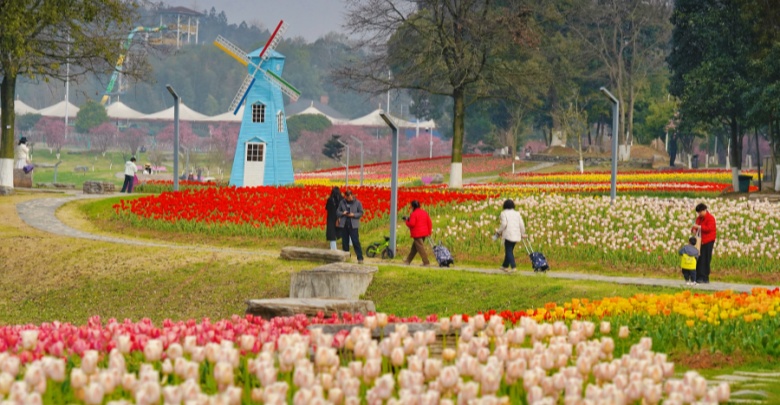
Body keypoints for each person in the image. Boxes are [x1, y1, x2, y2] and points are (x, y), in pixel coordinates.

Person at [496, 199, 526, 272]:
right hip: (516, 234)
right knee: (509, 250)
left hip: (508, 234)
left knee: (508, 251)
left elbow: (504, 224)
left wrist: (498, 231)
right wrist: (522, 233)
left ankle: (513, 267)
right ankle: (505, 266)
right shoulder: (517, 213)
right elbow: (522, 224)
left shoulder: (504, 213)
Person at [691, 203, 717, 283]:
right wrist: (694, 229)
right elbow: (694, 226)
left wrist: (700, 227)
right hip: (700, 241)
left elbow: (709, 228)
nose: (699, 214)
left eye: (700, 212)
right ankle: (698, 276)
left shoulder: (710, 218)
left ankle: (704, 277)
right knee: (699, 258)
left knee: (705, 259)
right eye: (698, 213)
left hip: (708, 241)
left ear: (704, 210)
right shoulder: (699, 218)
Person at [337, 190, 364, 263]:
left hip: (353, 225)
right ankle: (346, 258)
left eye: (349, 197)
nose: (348, 199)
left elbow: (361, 212)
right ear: (345, 196)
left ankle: (360, 258)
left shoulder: (357, 203)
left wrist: (353, 215)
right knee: (345, 242)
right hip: (344, 225)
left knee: (355, 242)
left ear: (352, 195)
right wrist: (343, 213)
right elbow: (337, 212)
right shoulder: (342, 202)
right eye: (347, 197)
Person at [403, 200, 433, 266]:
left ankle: (426, 262)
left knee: (420, 248)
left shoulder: (414, 214)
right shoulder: (424, 212)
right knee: (414, 248)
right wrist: (429, 232)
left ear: (413, 206)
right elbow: (429, 222)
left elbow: (412, 224)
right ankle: (407, 261)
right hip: (424, 233)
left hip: (417, 234)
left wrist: (406, 221)